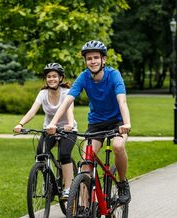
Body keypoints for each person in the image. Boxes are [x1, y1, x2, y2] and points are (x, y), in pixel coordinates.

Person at [46, 40, 131, 204]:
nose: (92, 61)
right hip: (96, 123)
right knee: (86, 162)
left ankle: (122, 183)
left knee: (118, 146)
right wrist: (53, 123)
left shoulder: (114, 75)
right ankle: (83, 208)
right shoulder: (84, 77)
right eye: (89, 58)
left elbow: (122, 102)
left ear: (103, 60)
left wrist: (126, 124)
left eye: (96, 58)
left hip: (117, 122)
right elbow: (67, 100)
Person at [13, 63, 77, 199]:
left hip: (67, 130)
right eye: (49, 76)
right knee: (40, 154)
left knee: (64, 154)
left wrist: (70, 124)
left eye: (54, 76)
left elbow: (69, 110)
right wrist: (20, 124)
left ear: (60, 78)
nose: (51, 79)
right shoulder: (42, 94)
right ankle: (48, 181)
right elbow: (32, 111)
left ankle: (68, 187)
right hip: (49, 130)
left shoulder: (67, 93)